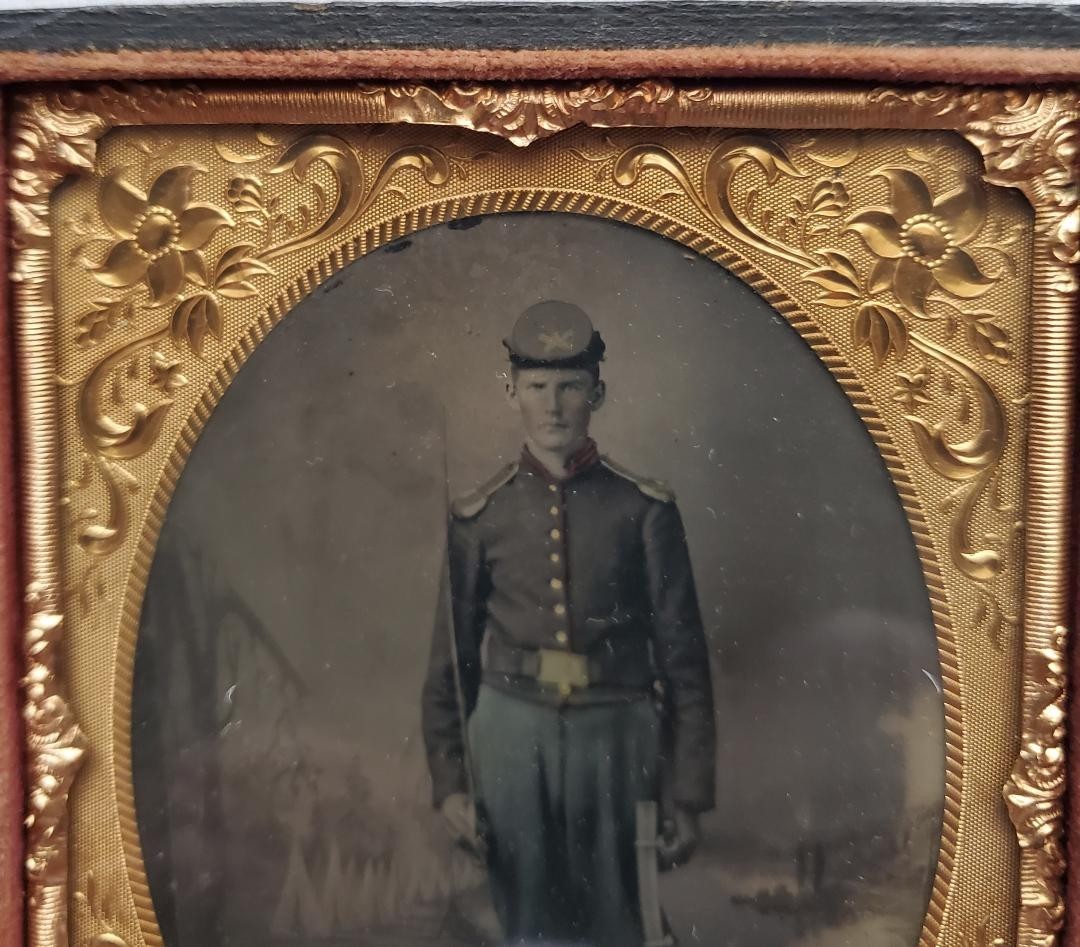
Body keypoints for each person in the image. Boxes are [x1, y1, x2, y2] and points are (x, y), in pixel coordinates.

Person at [422, 300, 716, 946]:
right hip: (509, 738)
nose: (553, 406)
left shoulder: (644, 510)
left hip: (617, 736)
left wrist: (688, 792)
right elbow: (450, 668)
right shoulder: (480, 516)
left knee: (618, 921)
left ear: (598, 392)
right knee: (526, 923)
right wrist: (450, 785)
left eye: (570, 387)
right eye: (536, 388)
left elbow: (685, 661)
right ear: (511, 391)